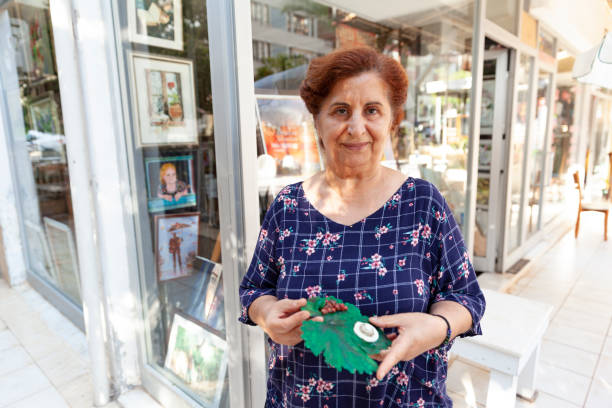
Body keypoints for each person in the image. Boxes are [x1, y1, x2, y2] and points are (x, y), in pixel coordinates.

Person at [238, 47, 486, 407]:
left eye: (372, 110)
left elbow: (466, 297)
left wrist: (438, 327)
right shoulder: (288, 207)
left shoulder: (423, 203)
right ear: (317, 122)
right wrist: (265, 314)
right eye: (340, 111)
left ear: (391, 121)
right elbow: (254, 291)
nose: (356, 128)